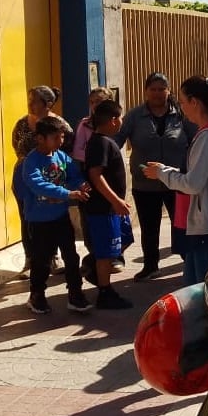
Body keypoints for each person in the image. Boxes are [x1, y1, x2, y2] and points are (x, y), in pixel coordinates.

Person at [143, 76, 208, 285]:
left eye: (182, 101)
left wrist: (162, 174)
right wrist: (165, 170)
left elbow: (192, 184)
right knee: (197, 291)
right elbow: (198, 176)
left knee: (205, 294)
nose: (181, 107)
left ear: (195, 102)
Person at [115, 72, 193, 281]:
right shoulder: (134, 116)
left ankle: (190, 265)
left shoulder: (181, 115)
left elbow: (197, 139)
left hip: (177, 182)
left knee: (183, 226)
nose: (157, 93)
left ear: (169, 91)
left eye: (162, 89)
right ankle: (150, 266)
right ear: (146, 91)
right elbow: (117, 141)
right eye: (153, 89)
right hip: (145, 184)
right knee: (149, 228)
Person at [21, 116, 92, 315]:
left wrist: (80, 184)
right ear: (40, 138)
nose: (60, 141)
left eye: (61, 137)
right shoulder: (31, 162)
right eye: (55, 137)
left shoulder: (61, 156)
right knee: (41, 260)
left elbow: (73, 175)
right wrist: (67, 194)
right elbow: (38, 185)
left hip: (61, 217)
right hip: (39, 221)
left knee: (71, 256)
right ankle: (37, 295)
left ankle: (75, 293)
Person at [10, 86, 72, 279]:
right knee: (27, 217)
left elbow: (67, 150)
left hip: (52, 177)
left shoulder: (59, 125)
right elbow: (16, 146)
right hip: (24, 177)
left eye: (34, 100)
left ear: (48, 104)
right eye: (29, 100)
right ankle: (31, 259)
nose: (30, 104)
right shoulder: (21, 124)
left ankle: (53, 257)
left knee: (53, 218)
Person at [82, 99, 134, 310]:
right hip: (103, 209)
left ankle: (93, 266)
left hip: (113, 210)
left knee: (124, 239)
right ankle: (104, 291)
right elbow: (96, 176)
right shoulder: (100, 142)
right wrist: (116, 200)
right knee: (106, 254)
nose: (121, 121)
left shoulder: (106, 141)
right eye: (120, 117)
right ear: (113, 120)